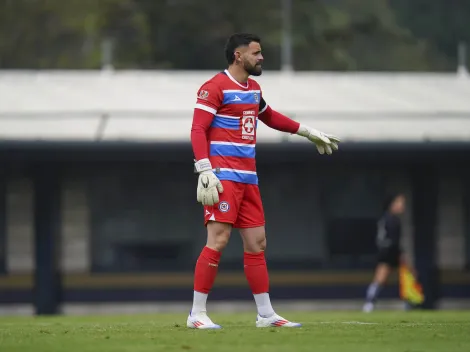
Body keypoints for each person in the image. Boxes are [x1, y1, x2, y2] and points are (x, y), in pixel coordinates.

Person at [188, 33, 340, 329]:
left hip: (248, 178)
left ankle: (266, 314)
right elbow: (197, 129)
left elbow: (269, 116)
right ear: (238, 56)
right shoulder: (214, 87)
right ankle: (197, 313)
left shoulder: (254, 88)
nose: (261, 58)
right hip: (222, 177)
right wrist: (204, 169)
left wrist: (307, 131)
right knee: (218, 240)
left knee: (257, 245)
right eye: (256, 53)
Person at [363, 192, 414, 312]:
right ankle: (369, 303)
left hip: (393, 252)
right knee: (380, 278)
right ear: (392, 204)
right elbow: (386, 239)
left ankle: (408, 302)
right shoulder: (388, 219)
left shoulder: (394, 220)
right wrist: (397, 253)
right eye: (400, 203)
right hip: (388, 252)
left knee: (406, 276)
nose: (402, 206)